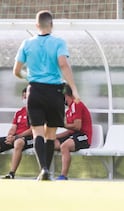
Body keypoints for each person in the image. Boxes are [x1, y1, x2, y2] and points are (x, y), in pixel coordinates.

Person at [13, 10, 81, 181]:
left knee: (37, 133)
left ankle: (43, 168)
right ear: (51, 24)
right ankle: (47, 172)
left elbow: (16, 71)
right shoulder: (58, 42)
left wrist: (29, 77)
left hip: (34, 90)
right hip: (54, 91)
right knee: (50, 133)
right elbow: (63, 64)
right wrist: (74, 88)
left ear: (37, 25)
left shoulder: (27, 43)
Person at [54, 84, 92, 180]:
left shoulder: (76, 104)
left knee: (64, 146)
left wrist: (61, 124)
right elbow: (70, 130)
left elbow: (77, 127)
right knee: (50, 142)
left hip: (84, 136)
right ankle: (46, 173)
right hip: (73, 135)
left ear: (66, 95)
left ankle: (63, 176)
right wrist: (55, 136)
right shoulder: (68, 110)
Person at [1, 88, 33, 179]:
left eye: (26, 96)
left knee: (18, 142)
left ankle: (11, 173)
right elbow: (13, 127)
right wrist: (10, 136)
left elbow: (32, 130)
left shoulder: (35, 112)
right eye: (23, 96)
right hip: (16, 138)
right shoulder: (19, 112)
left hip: (31, 139)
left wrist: (15, 138)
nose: (24, 97)